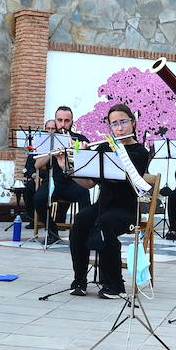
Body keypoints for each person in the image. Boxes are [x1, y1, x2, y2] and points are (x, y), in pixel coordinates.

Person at [65, 104, 152, 299]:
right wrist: (73, 166)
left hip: (128, 210)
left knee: (105, 223)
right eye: (115, 124)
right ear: (110, 127)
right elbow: (88, 183)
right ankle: (79, 279)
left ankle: (115, 283)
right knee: (80, 220)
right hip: (103, 206)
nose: (120, 128)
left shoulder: (140, 152)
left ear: (133, 122)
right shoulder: (104, 148)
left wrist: (110, 154)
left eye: (123, 122)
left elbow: (119, 176)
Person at [31, 106, 91, 245]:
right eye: (59, 120)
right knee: (38, 199)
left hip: (74, 182)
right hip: (53, 181)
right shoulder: (48, 139)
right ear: (55, 120)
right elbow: (37, 165)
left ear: (72, 122)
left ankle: (83, 233)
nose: (63, 124)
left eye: (66, 121)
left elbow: (87, 165)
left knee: (85, 196)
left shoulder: (79, 139)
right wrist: (52, 152)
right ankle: (52, 232)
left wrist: (79, 152)